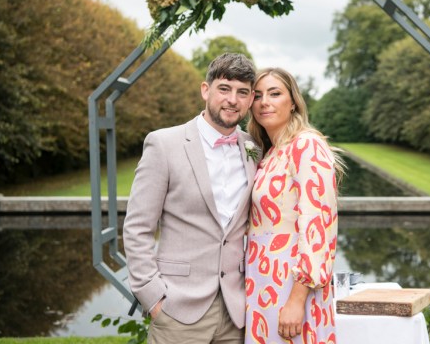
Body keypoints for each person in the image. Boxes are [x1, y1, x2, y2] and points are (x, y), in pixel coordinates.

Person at [123, 53, 259, 344]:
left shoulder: (254, 148)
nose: (232, 100)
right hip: (177, 309)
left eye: (242, 92)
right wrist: (153, 298)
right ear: (205, 90)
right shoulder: (164, 144)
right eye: (224, 88)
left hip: (236, 310)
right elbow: (137, 227)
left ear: (249, 101)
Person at [244, 67, 344, 343]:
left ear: (293, 102)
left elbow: (318, 225)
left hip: (291, 283)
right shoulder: (272, 151)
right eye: (258, 95)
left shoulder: (307, 145)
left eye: (275, 94)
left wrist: (297, 300)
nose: (265, 102)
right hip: (263, 279)